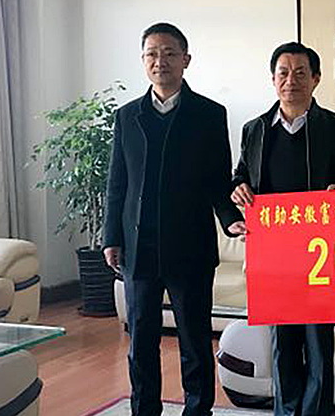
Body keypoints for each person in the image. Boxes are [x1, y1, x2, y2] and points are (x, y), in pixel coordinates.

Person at [103, 22, 246, 416]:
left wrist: (231, 219)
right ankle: (144, 409)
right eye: (152, 54)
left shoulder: (209, 114)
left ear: (186, 60)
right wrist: (111, 237)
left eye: (169, 53)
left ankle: (198, 410)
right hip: (139, 248)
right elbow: (117, 183)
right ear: (143, 61)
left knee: (194, 341)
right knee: (141, 340)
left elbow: (218, 180)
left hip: (190, 247)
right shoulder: (127, 116)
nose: (160, 61)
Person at [230, 42, 335, 416]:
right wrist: (238, 187)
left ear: (316, 79)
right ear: (273, 79)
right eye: (283, 73)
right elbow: (241, 175)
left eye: (301, 73)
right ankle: (286, 411)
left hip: (321, 253)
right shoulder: (255, 129)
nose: (291, 80)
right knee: (282, 342)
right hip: (273, 254)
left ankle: (316, 411)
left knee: (318, 342)